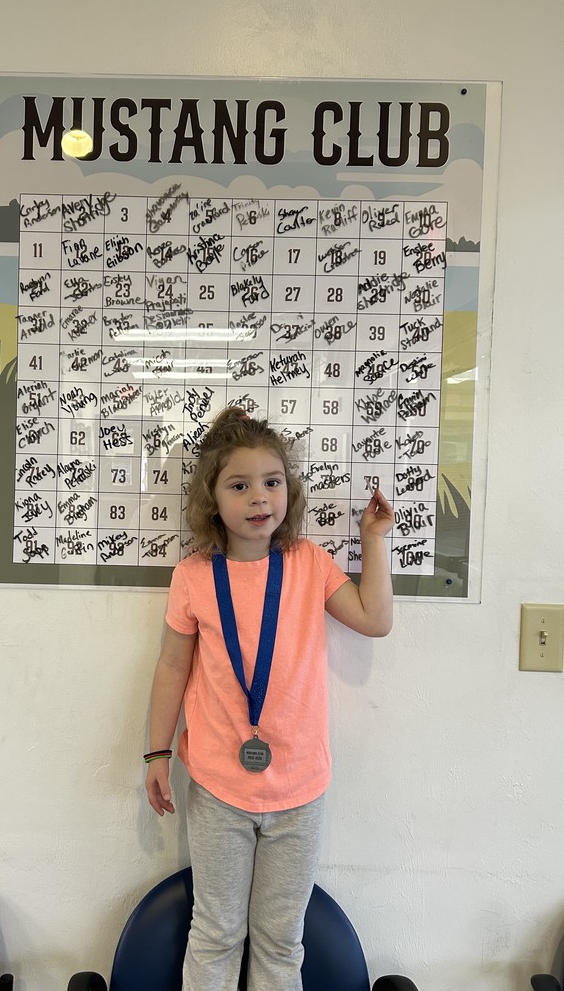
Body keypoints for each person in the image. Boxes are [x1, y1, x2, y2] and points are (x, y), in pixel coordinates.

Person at [144, 406, 393, 991]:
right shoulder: (194, 576)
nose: (260, 497)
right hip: (219, 786)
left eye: (272, 481)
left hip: (300, 788)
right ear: (213, 498)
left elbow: (374, 619)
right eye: (240, 484)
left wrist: (373, 540)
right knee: (216, 931)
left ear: (289, 489)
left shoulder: (307, 563)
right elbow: (171, 666)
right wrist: (156, 754)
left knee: (281, 939)